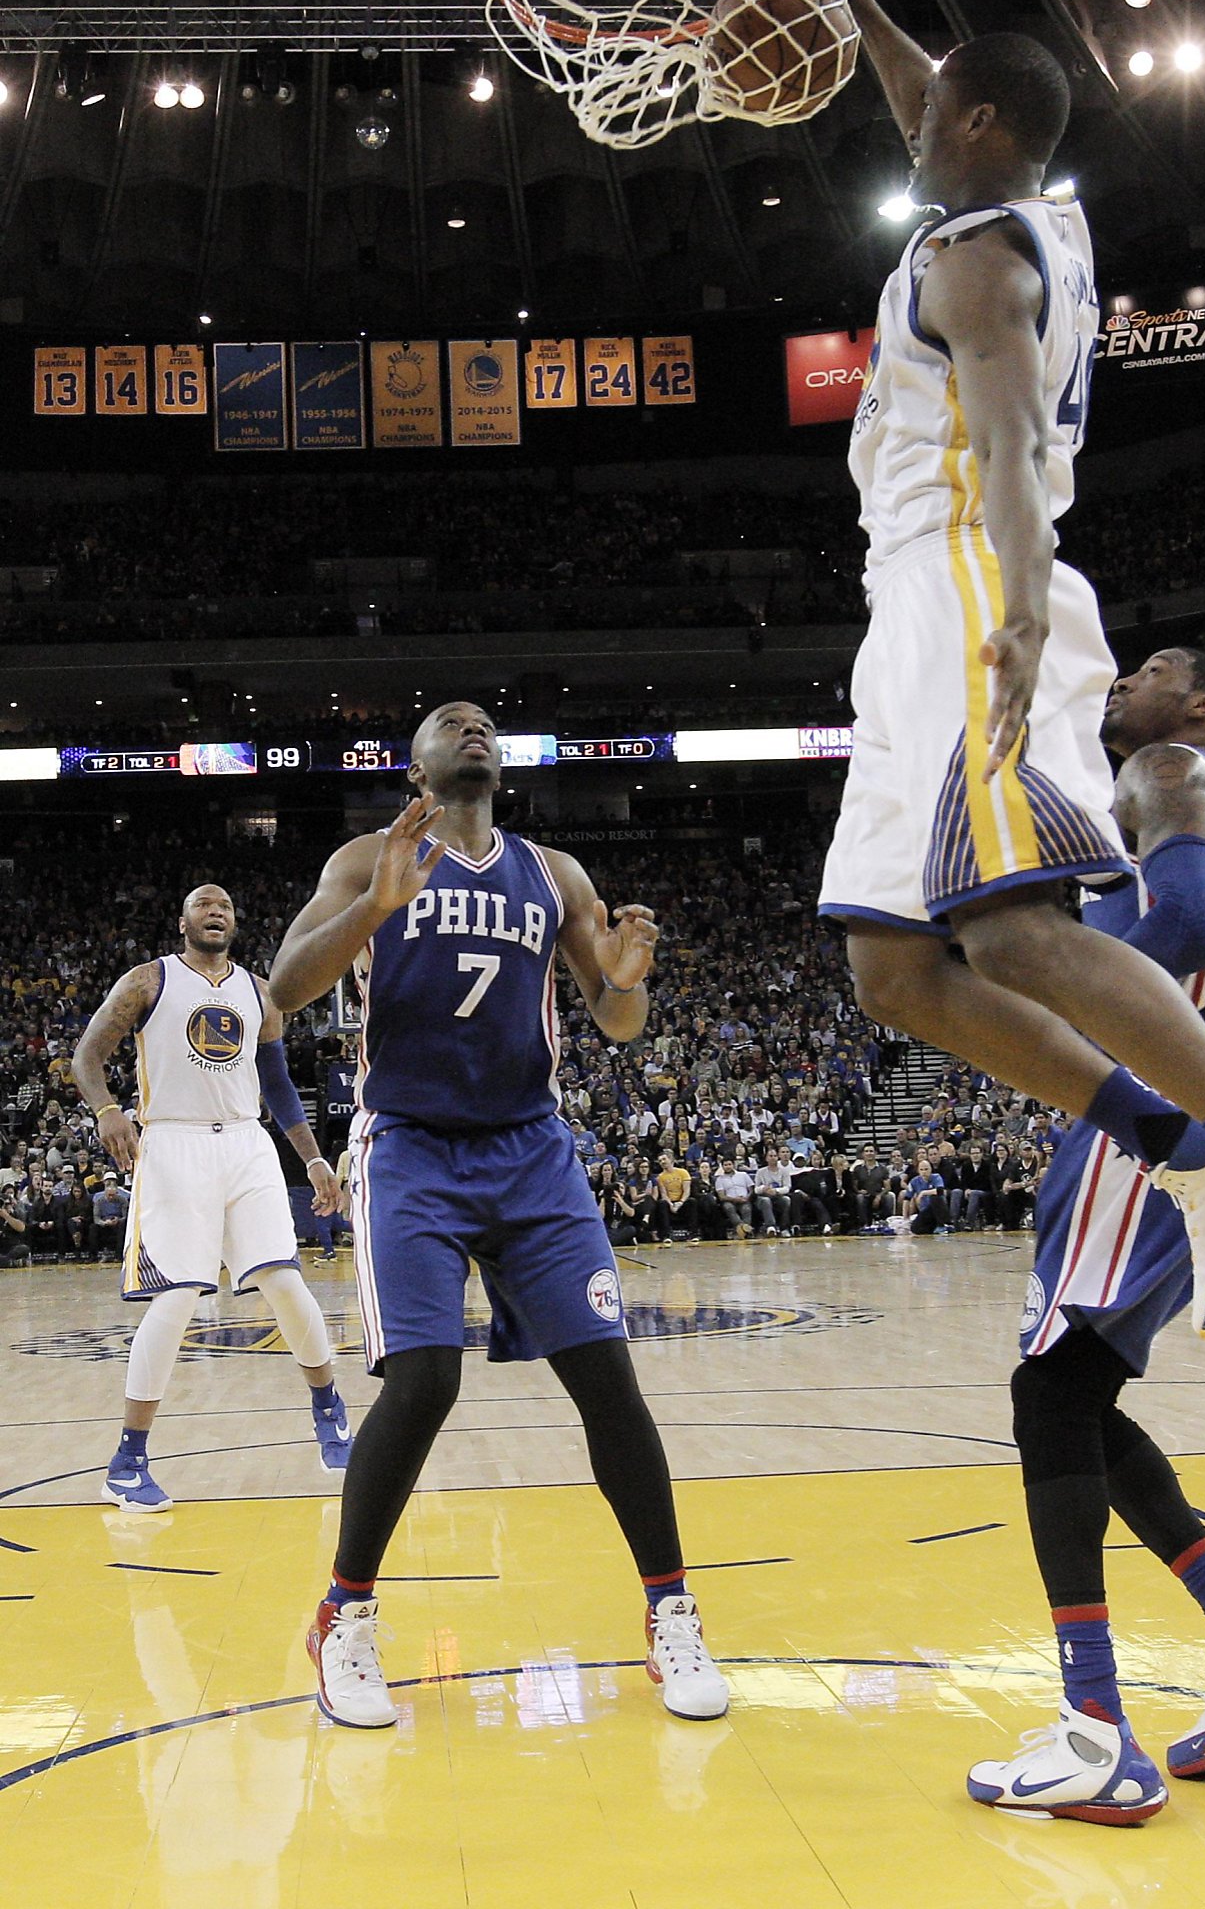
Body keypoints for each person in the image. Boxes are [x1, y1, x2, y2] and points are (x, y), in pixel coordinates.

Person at [812, 0, 1205, 1389]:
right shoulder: (1012, 210)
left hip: (971, 576)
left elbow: (1013, 449)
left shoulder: (976, 261)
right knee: (893, 969)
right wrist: (844, 2)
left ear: (966, 128)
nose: (910, 122)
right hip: (912, 599)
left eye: (927, 110)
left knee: (1014, 933)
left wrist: (1018, 611)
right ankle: (1178, 1149)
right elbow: (929, 99)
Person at [269, 701, 727, 1730]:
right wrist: (372, 911)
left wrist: (621, 980)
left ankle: (672, 1611)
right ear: (417, 764)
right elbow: (282, 993)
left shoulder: (555, 871)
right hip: (413, 1148)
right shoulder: (367, 856)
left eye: (485, 722)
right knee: (424, 1380)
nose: (473, 726)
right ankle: (344, 1613)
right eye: (450, 720)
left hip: (531, 1151)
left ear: (500, 764)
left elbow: (615, 1018)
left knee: (609, 1379)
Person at [968, 650, 1205, 1825]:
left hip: (1165, 1095)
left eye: (1150, 671)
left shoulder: (1169, 765)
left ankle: (1097, 1729)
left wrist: (1063, 993)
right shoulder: (1171, 787)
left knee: (1051, 1394)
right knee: (1078, 1395)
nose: (1121, 681)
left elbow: (1181, 920)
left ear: (1198, 708)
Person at [72, 884, 350, 1512]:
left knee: (285, 1283)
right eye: (203, 904)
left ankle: (328, 1406)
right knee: (176, 1300)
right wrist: (108, 1110)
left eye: (226, 904)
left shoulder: (259, 993)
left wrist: (311, 1157)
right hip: (172, 1142)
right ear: (184, 920)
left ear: (236, 921)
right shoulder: (147, 981)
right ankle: (127, 1461)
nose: (216, 910)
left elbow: (277, 1083)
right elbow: (87, 1056)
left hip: (247, 1144)